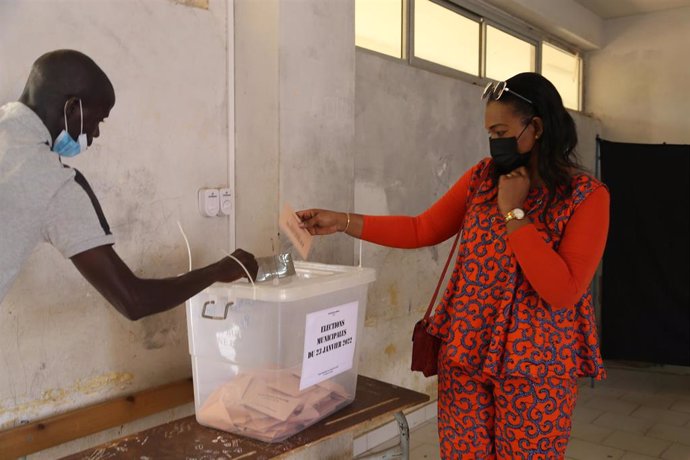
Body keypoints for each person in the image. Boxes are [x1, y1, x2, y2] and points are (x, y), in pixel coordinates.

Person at [297, 72, 609, 459]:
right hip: (466, 348)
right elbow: (421, 228)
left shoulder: (586, 197)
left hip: (536, 366)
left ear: (538, 127)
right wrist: (343, 221)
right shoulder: (483, 178)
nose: (494, 142)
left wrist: (514, 212)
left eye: (501, 131)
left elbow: (562, 290)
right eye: (490, 133)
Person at [0, 49, 258, 318]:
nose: (95, 133)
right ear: (72, 107)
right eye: (97, 120)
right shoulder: (54, 183)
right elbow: (133, 300)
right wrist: (217, 270)